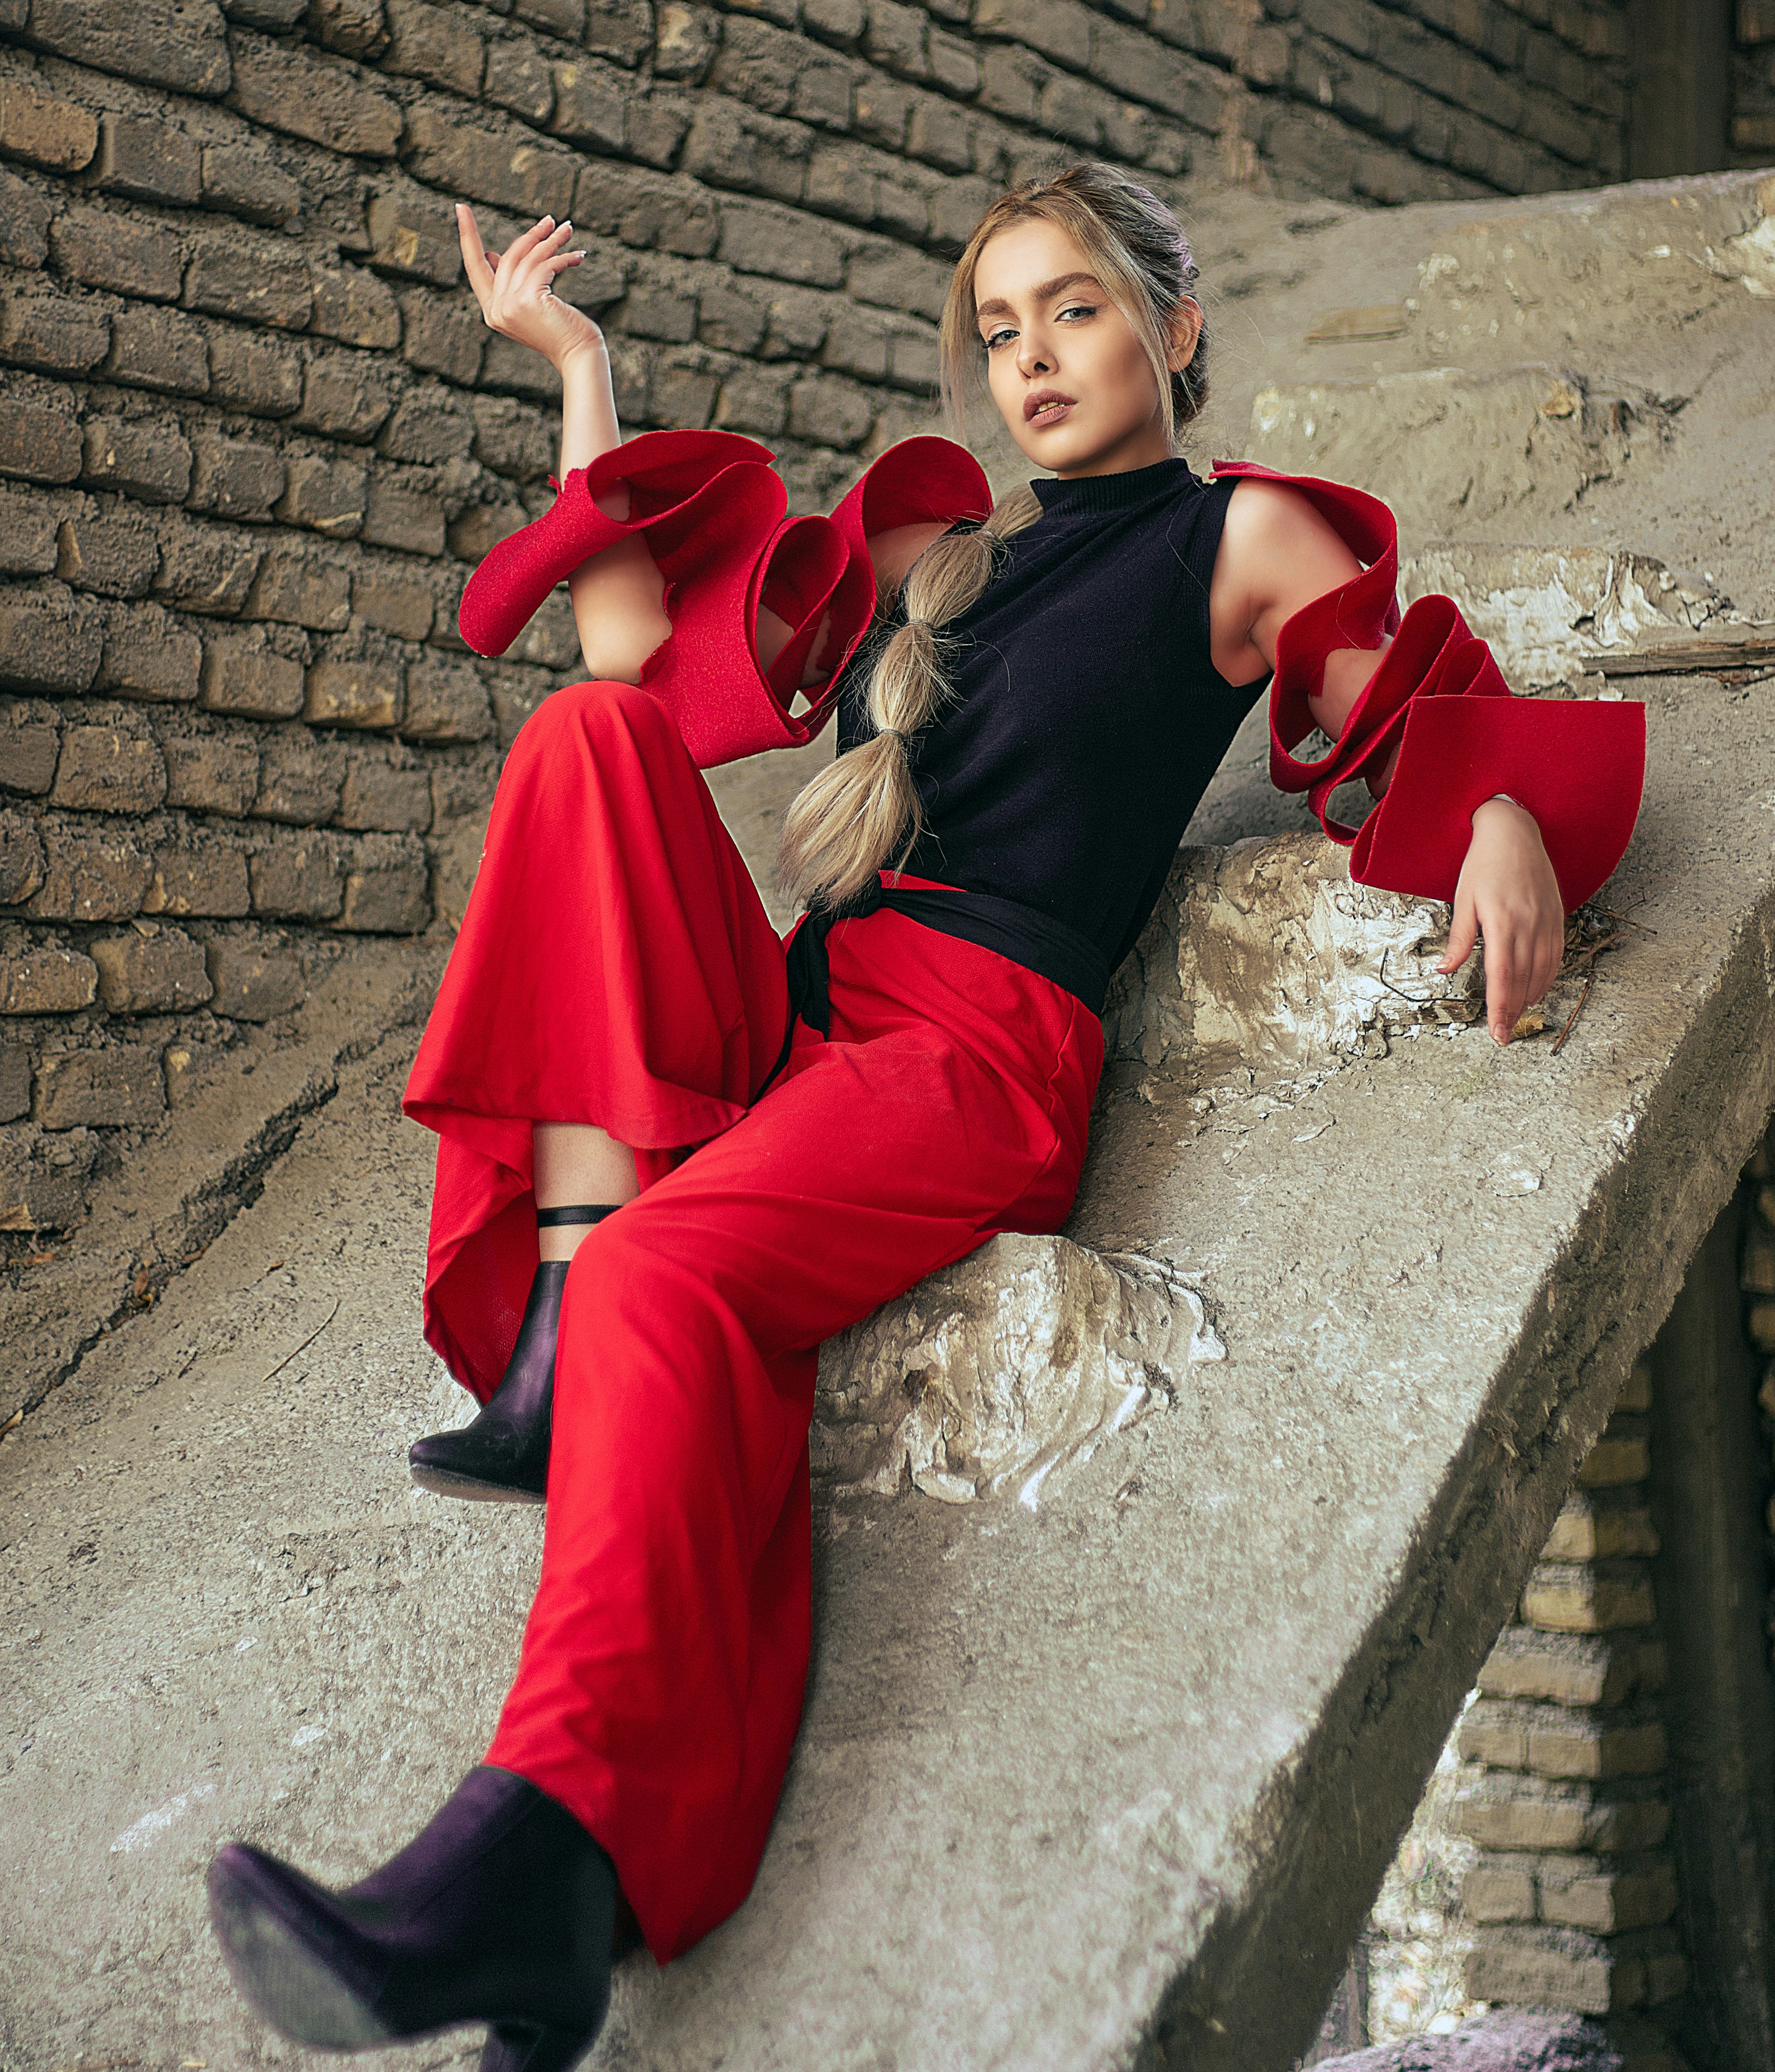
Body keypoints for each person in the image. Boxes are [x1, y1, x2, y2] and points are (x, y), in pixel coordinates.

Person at [205, 164, 1643, 2070]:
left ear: (1173, 328)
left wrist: (1505, 814)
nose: (1031, 358)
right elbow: (630, 661)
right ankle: (562, 1322)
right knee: (587, 739)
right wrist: (577, 368)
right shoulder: (940, 552)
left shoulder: (1239, 536)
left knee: (667, 1283)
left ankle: (542, 1857)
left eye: (1072, 309)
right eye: (998, 327)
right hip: (810, 1005)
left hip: (975, 1045)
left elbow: (1386, 705)